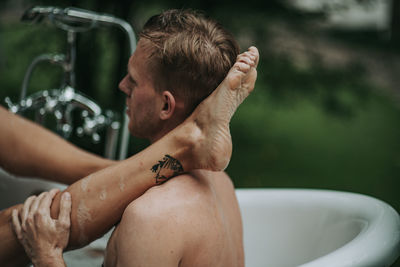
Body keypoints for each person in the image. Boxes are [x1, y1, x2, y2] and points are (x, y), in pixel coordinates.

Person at [9, 9, 259, 267]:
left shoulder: (150, 218)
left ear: (166, 106)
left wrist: (47, 255)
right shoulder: (222, 185)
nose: (122, 85)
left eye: (134, 80)